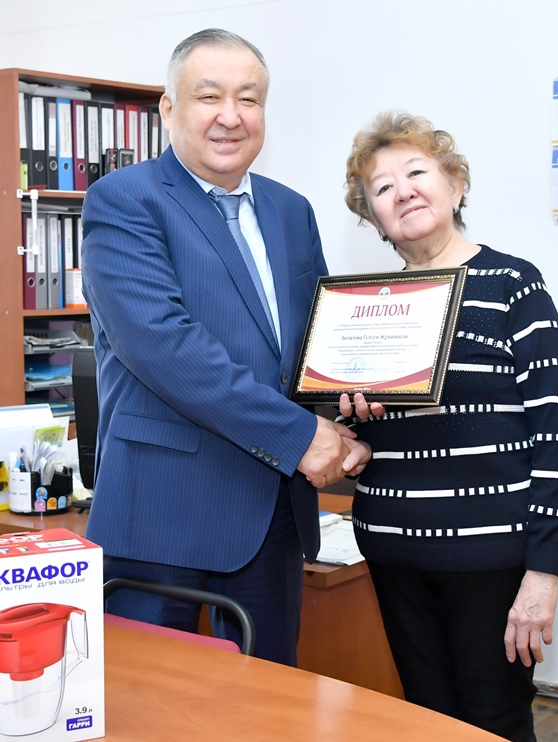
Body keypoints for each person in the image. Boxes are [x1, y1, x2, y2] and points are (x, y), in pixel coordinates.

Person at [81, 28, 371, 666]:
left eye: (249, 98)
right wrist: (303, 437)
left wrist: (350, 408)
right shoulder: (124, 201)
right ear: (169, 108)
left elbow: (312, 345)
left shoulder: (291, 210)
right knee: (155, 703)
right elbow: (163, 345)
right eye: (209, 96)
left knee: (269, 700)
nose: (231, 116)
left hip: (271, 514)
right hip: (162, 515)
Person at [339, 112, 558, 742]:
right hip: (393, 551)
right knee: (425, 721)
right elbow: (364, 431)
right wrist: (350, 425)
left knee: (494, 723)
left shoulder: (513, 285)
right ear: (373, 217)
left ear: (455, 185)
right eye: (383, 187)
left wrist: (543, 570)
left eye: (417, 173)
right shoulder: (365, 307)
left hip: (490, 558)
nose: (403, 192)